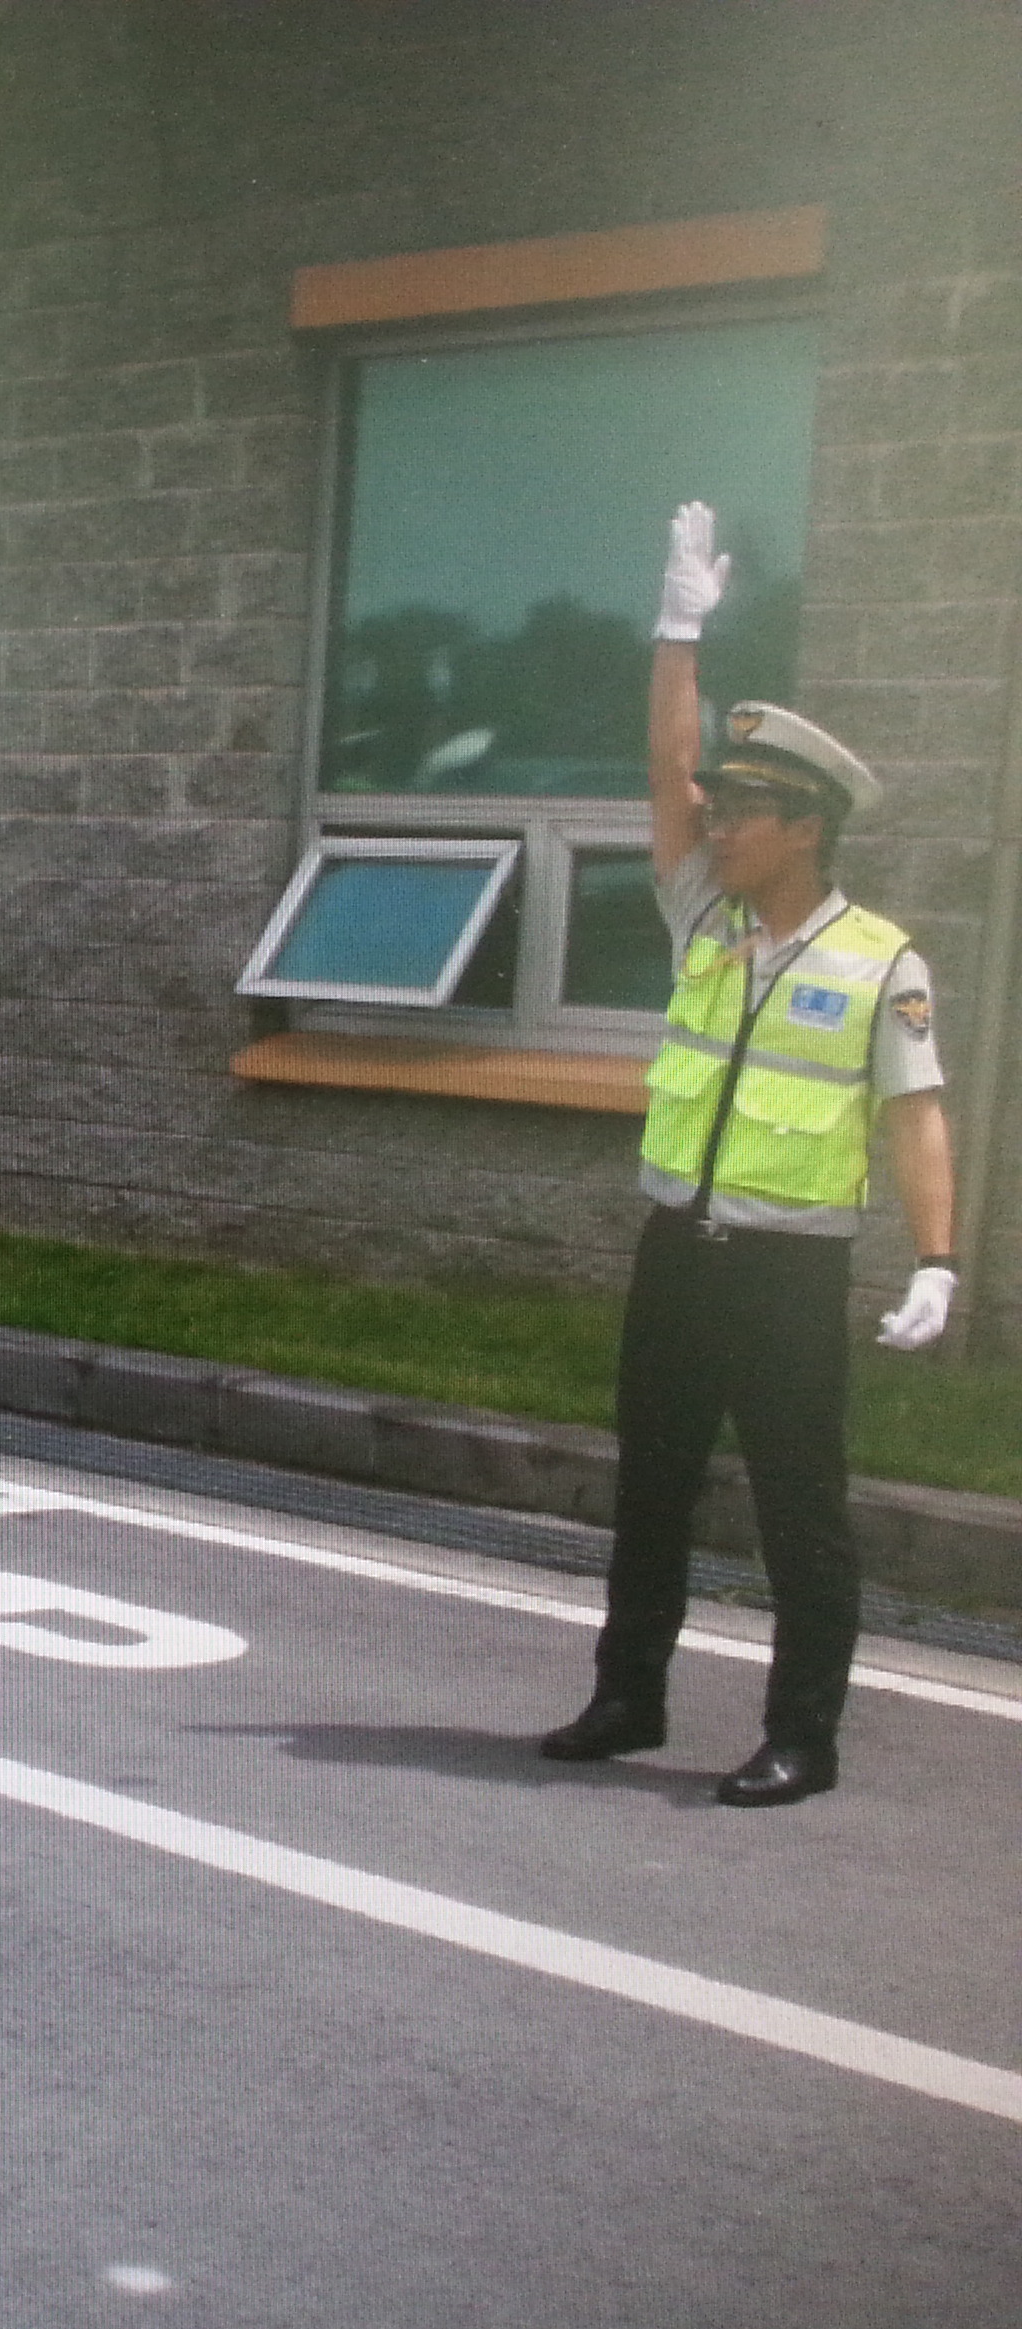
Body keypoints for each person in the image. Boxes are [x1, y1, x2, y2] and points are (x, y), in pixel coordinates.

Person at [538, 501, 958, 1807]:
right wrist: (679, 630)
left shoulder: (880, 962)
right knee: (651, 1483)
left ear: (808, 828)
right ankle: (627, 1694)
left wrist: (937, 1260)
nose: (717, 825)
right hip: (680, 1254)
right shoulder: (703, 922)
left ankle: (802, 1735)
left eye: (747, 813)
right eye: (721, 810)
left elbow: (915, 1117)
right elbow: (671, 769)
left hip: (787, 1278)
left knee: (799, 1510)